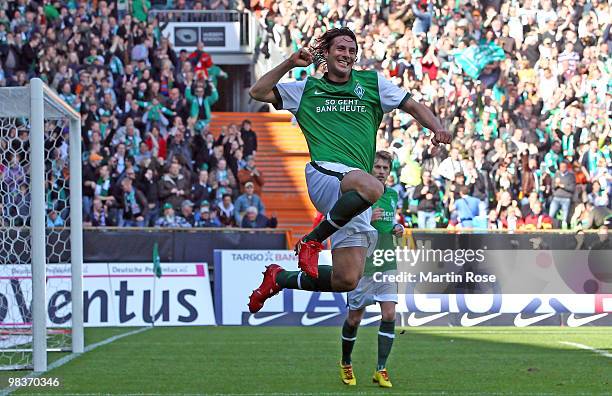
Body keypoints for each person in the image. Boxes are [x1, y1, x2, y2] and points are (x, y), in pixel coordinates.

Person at [247, 27, 451, 313]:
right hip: (325, 173)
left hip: (354, 194)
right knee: (374, 187)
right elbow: (257, 92)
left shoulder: (371, 84)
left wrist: (438, 128)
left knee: (347, 279)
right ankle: (311, 240)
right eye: (341, 48)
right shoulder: (307, 89)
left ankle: (279, 278)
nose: (347, 54)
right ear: (326, 54)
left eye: (352, 50)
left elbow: (412, 105)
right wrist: (290, 63)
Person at [340, 151, 403, 388]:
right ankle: (346, 362)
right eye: (377, 166)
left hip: (386, 259)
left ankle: (381, 369)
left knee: (389, 314)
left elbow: (388, 222)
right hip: (361, 261)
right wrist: (366, 218)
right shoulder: (358, 194)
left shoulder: (393, 195)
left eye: (385, 168)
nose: (381, 171)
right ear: (370, 168)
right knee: (355, 318)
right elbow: (342, 223)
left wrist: (397, 227)